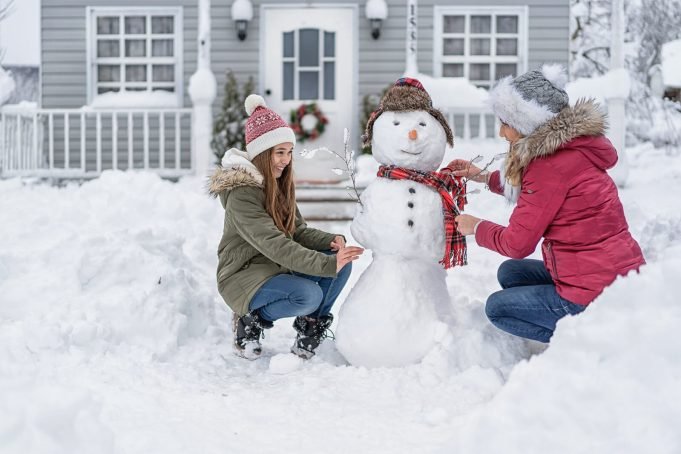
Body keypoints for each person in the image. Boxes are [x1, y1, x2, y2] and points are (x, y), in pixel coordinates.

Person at [447, 64, 645, 343]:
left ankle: (582, 339)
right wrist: (479, 176)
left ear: (526, 124)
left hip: (593, 294)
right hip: (615, 275)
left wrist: (475, 227)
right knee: (511, 274)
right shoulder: (571, 148)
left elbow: (517, 244)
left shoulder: (549, 166)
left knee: (498, 309)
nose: (502, 132)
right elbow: (536, 190)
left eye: (506, 123)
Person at [209, 94, 363, 360]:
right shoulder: (242, 194)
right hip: (243, 275)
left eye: (289, 152)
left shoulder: (278, 185)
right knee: (308, 294)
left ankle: (310, 328)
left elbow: (297, 231)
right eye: (279, 153)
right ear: (261, 154)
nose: (286, 160)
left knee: (341, 264)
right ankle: (250, 320)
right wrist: (326, 265)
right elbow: (275, 244)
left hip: (275, 268)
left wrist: (331, 241)